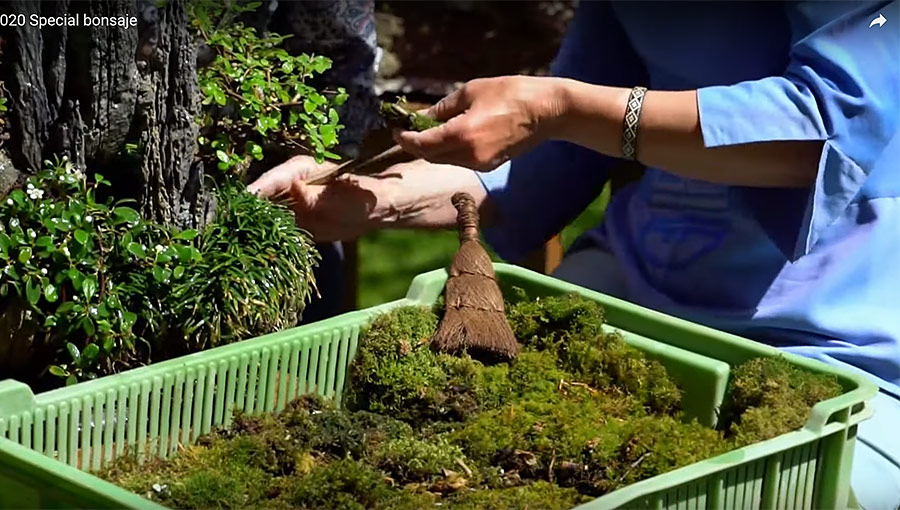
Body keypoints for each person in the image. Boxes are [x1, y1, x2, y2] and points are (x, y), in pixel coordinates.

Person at [250, 1, 900, 507]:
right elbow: (552, 160)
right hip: (627, 296)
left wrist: (557, 107)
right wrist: (372, 196)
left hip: (839, 347)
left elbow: (825, 127)